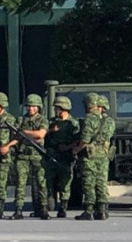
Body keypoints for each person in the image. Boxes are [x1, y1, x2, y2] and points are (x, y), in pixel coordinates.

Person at [12, 94, 49, 220]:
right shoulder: (21, 120)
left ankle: (43, 209)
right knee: (20, 183)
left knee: (41, 183)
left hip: (37, 155)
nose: (30, 109)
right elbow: (16, 136)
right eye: (28, 106)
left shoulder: (42, 120)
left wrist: (24, 132)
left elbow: (40, 134)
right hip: (23, 155)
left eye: (33, 106)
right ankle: (18, 209)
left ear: (38, 107)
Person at [73, 93, 108, 221]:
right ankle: (102, 211)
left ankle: (89, 211)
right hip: (103, 154)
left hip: (89, 155)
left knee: (88, 182)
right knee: (101, 182)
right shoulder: (108, 121)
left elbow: (85, 140)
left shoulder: (89, 119)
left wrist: (76, 150)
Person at [45, 96, 80, 218]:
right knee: (48, 180)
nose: (55, 110)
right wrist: (51, 130)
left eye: (57, 108)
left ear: (63, 108)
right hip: (51, 156)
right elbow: (43, 134)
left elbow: (78, 140)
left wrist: (67, 147)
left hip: (65, 156)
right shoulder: (51, 122)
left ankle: (63, 207)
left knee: (65, 182)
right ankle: (49, 200)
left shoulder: (73, 123)